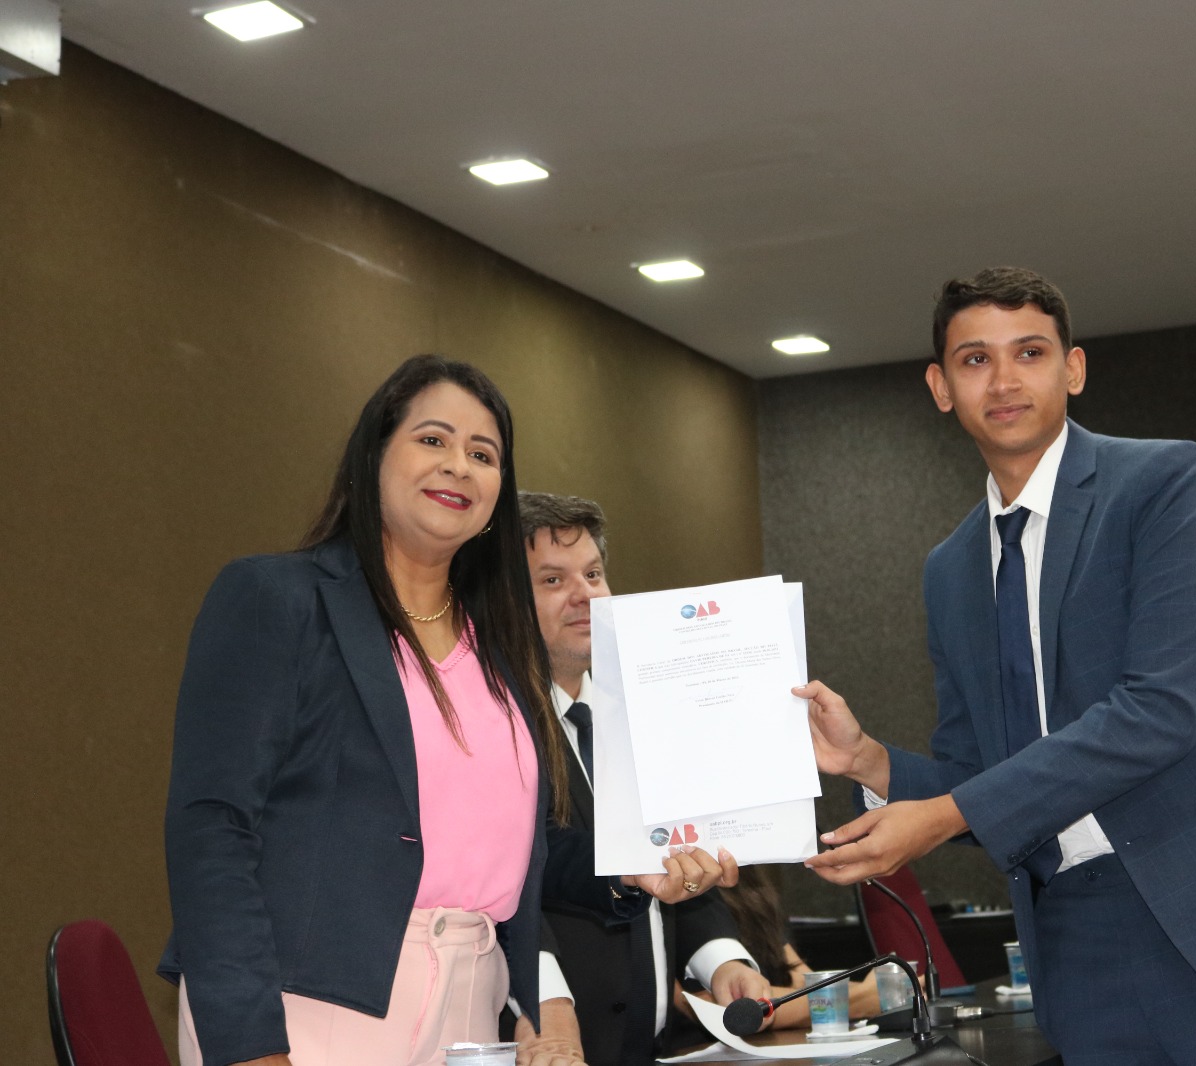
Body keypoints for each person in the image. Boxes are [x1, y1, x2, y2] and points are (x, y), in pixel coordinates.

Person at [798, 268, 1196, 1064]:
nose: (1004, 380)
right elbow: (984, 778)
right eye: (975, 360)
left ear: (1073, 369)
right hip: (1080, 953)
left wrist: (944, 813)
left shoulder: (1165, 482)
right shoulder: (949, 570)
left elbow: (1163, 709)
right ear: (941, 388)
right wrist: (870, 760)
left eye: (1030, 352)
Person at [160, 357, 726, 1066]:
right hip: (308, 1005)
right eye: (433, 440)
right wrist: (249, 1045)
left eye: (483, 454)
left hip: (473, 1010)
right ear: (374, 454)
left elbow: (514, 853)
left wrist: (627, 867)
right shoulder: (277, 599)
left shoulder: (499, 647)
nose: (459, 465)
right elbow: (212, 829)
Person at [515, 491, 770, 1065]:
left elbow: (680, 853)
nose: (585, 595)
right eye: (553, 580)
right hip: (553, 1048)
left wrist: (721, 960)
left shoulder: (644, 713)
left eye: (593, 574)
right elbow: (521, 874)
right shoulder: (495, 726)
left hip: (651, 1046)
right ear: (505, 598)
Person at [679, 864, 882, 1030]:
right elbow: (710, 1005)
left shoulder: (750, 881)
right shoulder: (678, 881)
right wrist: (857, 1000)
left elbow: (802, 978)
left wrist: (885, 990)